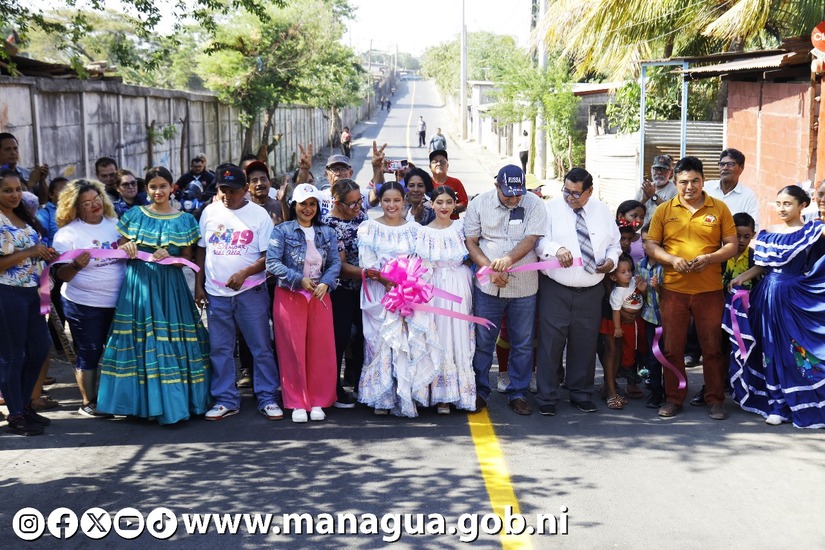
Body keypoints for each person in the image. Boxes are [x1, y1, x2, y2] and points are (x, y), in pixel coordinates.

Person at [97, 166, 210, 425]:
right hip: (138, 285)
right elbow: (123, 247)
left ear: (172, 188)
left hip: (170, 286)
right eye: (152, 187)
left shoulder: (185, 220)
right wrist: (127, 246)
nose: (158, 191)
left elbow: (187, 260)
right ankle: (135, 404)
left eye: (163, 186)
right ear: (146, 189)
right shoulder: (135, 215)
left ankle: (175, 402)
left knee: (169, 338)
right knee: (139, 339)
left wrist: (170, 257)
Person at [646, 156, 737, 420]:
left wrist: (710, 258)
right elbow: (652, 245)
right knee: (672, 348)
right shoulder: (664, 210)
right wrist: (672, 259)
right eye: (684, 181)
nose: (689, 187)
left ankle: (715, 400)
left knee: (712, 348)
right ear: (675, 182)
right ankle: (674, 398)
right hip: (673, 290)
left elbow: (731, 244)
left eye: (695, 181)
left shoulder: (718, 208)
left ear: (703, 181)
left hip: (709, 291)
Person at [726, 185, 825, 427]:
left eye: (788, 204)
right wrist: (742, 278)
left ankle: (808, 403)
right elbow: (763, 266)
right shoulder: (768, 234)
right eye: (779, 203)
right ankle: (777, 405)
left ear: (803, 206)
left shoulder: (814, 232)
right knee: (770, 350)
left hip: (798, 299)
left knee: (798, 352)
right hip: (768, 297)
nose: (782, 208)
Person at [195, 164, 281, 421]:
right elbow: (202, 249)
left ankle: (267, 397)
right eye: (222, 190)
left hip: (251, 292)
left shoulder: (259, 216)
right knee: (219, 349)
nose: (227, 195)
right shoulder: (209, 212)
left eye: (232, 191)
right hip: (216, 294)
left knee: (261, 347)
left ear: (245, 189)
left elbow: (269, 257)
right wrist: (199, 285)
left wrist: (245, 273)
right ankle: (225, 399)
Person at [534, 168, 620, 416]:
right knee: (551, 343)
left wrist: (612, 260)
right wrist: (555, 249)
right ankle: (548, 396)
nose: (570, 197)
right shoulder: (550, 209)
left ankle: (581, 393)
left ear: (589, 191)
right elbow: (539, 241)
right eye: (566, 191)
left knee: (584, 343)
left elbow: (614, 244)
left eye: (576, 193)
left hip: (591, 289)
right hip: (555, 288)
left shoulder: (602, 211)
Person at [465, 164, 547, 416]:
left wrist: (508, 261)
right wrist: (490, 268)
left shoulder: (534, 203)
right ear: (496, 185)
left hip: (524, 287)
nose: (513, 198)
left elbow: (531, 239)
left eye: (517, 193)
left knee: (522, 343)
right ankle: (479, 391)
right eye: (507, 193)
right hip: (488, 287)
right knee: (483, 343)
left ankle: (518, 392)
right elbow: (471, 241)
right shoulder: (479, 204)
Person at [358, 181, 440, 416]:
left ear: (404, 201)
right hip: (380, 293)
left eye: (396, 200)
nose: (391, 205)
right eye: (386, 200)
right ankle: (383, 396)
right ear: (380, 202)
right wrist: (385, 279)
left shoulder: (414, 230)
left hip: (409, 293)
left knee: (408, 343)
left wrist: (408, 282)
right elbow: (367, 263)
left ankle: (408, 394)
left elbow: (421, 261)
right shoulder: (369, 228)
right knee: (382, 342)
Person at [267, 184, 341, 423]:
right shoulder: (282, 231)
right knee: (292, 349)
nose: (307, 208)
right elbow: (272, 263)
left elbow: (335, 263)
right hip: (290, 295)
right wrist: (299, 280)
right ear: (294, 205)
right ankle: (297, 401)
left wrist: (326, 283)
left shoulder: (327, 232)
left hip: (320, 294)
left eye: (312, 204)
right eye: (303, 203)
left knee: (321, 349)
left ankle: (318, 400)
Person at [52, 179, 126, 417]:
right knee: (90, 351)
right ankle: (88, 402)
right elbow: (61, 275)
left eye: (97, 199)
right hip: (84, 304)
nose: (94, 205)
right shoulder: (67, 234)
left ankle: (120, 398)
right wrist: (75, 265)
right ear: (74, 207)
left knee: (120, 351)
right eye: (86, 203)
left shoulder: (117, 225)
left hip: (120, 301)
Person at [0, 169, 57, 435]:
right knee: (13, 355)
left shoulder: (24, 216)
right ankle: (15, 413)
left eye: (18, 189)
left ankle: (24, 404)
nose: (14, 195)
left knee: (39, 348)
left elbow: (31, 251)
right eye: (7, 190)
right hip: (7, 292)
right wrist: (29, 252)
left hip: (33, 290)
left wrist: (43, 254)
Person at [415, 186, 476, 413]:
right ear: (431, 204)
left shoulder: (461, 228)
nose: (444, 207)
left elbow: (471, 255)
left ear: (454, 204)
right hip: (435, 286)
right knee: (439, 335)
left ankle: (458, 394)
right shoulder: (423, 232)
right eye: (439, 202)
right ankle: (440, 394)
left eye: (448, 202)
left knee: (459, 335)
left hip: (460, 283)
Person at [323, 178, 368, 405]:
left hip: (365, 291)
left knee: (364, 338)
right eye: (351, 204)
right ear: (337, 203)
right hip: (339, 292)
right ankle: (335, 389)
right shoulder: (328, 226)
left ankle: (364, 384)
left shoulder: (361, 217)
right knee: (338, 340)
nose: (357, 207)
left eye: (359, 201)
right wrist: (368, 272)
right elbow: (338, 266)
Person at [601, 254, 646, 409]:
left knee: (619, 351)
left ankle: (612, 387)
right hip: (610, 312)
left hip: (625, 317)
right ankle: (610, 391)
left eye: (630, 270)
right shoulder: (613, 285)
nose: (628, 273)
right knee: (611, 351)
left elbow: (638, 294)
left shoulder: (629, 273)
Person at [637, 223, 665, 408]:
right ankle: (656, 392)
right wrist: (643, 290)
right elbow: (641, 296)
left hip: (667, 318)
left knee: (669, 355)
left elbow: (673, 296)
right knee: (653, 357)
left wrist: (658, 288)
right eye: (644, 241)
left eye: (653, 242)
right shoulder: (641, 265)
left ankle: (672, 391)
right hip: (650, 318)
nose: (647, 246)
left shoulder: (667, 266)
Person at [704, 148, 760, 231]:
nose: (725, 168)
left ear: (741, 167)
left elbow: (754, 228)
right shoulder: (706, 188)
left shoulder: (748, 196)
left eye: (730, 164)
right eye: (722, 164)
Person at [0, 133, 49, 204]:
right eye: (8, 149)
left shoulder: (26, 172)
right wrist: (30, 183)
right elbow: (14, 203)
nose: (13, 153)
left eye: (15, 148)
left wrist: (42, 180)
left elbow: (43, 200)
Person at [637, 154, 676, 226]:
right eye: (656, 169)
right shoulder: (645, 187)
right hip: (643, 233)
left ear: (670, 173)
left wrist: (653, 196)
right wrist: (644, 200)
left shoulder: (675, 190)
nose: (659, 172)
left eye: (664, 169)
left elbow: (672, 213)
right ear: (651, 170)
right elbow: (633, 211)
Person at [428, 150, 468, 218]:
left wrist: (451, 208)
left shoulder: (456, 182)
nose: (439, 164)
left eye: (442, 162)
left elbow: (464, 203)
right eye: (435, 162)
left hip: (452, 224)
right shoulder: (426, 183)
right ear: (430, 167)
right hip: (431, 224)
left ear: (447, 166)